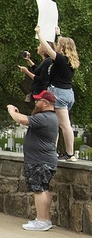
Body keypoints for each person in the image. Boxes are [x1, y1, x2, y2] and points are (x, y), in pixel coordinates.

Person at [7, 90, 60, 230]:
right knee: (43, 189)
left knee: (39, 190)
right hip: (43, 160)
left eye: (38, 100)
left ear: (46, 102)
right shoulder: (49, 117)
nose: (36, 102)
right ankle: (45, 219)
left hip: (39, 161)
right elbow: (27, 120)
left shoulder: (45, 117)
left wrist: (11, 110)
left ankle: (41, 221)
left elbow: (22, 120)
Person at [36, 27, 80, 161]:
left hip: (58, 93)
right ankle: (52, 151)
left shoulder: (60, 60)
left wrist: (39, 34)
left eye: (59, 45)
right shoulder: (71, 61)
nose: (57, 46)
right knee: (56, 122)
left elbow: (48, 50)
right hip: (68, 93)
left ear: (63, 48)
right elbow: (61, 44)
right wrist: (59, 34)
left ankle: (70, 154)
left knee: (64, 124)